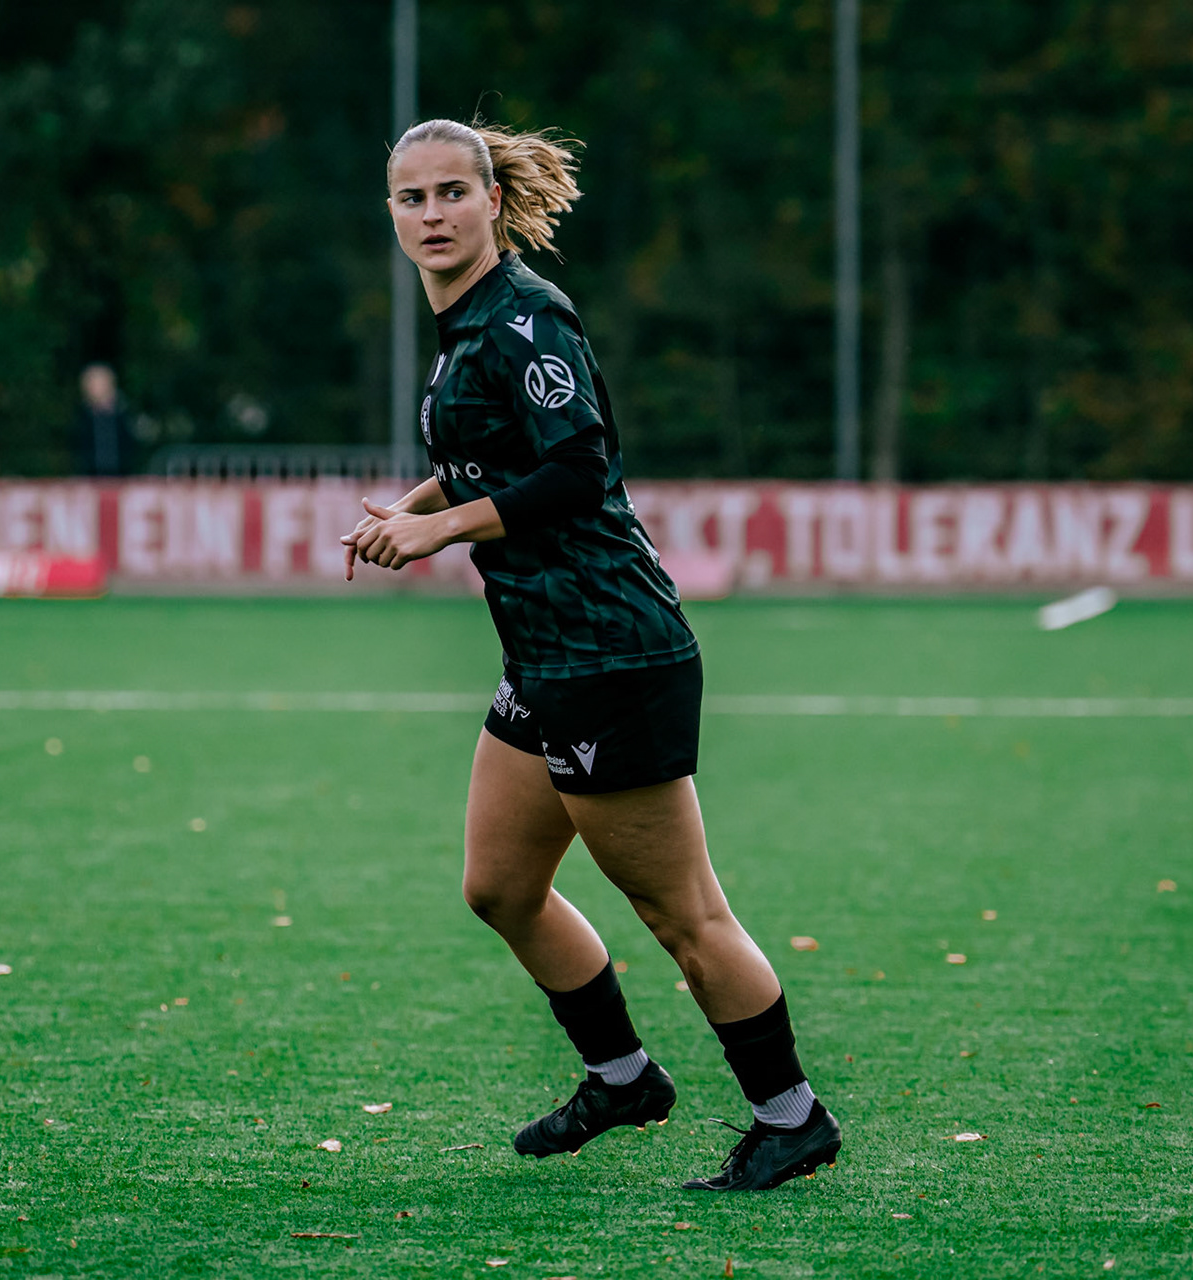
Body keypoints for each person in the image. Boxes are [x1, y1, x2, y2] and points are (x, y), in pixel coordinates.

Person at [341, 118, 842, 1192]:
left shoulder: (522, 320)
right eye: (410, 198)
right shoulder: (467, 322)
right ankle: (623, 1076)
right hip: (547, 656)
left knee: (683, 912)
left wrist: (443, 526)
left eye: (449, 195)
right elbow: (495, 452)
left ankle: (791, 1114)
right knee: (502, 884)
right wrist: (423, 498)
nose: (431, 215)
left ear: (490, 201)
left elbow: (577, 469)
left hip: (611, 654)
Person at [74, 362, 134, 476]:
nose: (94, 388)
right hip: (90, 480)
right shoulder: (81, 418)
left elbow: (131, 449)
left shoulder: (124, 415)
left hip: (122, 479)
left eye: (99, 383)